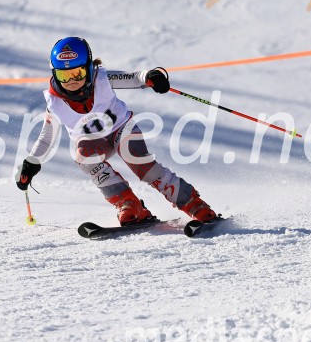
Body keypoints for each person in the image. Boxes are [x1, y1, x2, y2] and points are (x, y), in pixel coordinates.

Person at [15, 37, 217, 226]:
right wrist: (32, 162)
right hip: (93, 142)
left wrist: (151, 77)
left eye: (77, 74)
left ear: (88, 68)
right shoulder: (55, 102)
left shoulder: (101, 79)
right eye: (63, 75)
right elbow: (47, 136)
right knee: (83, 156)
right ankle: (129, 204)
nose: (71, 82)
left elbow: (134, 78)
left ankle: (193, 203)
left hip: (121, 129)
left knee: (142, 164)